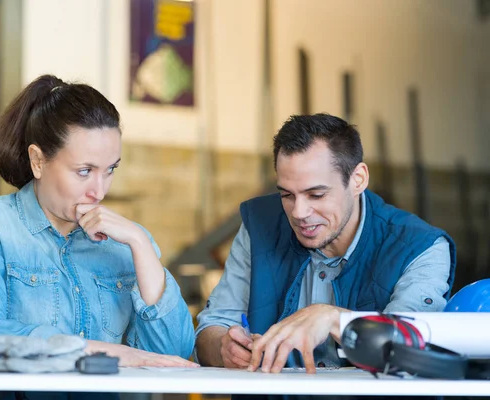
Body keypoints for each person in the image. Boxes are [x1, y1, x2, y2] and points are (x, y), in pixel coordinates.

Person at [0, 75, 197, 399]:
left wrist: (140, 244)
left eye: (111, 169)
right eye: (84, 171)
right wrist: (93, 350)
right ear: (38, 161)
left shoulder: (124, 242)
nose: (99, 190)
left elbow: (173, 353)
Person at [195, 113, 456, 380]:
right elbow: (209, 332)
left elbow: (411, 349)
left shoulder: (422, 247)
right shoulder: (258, 226)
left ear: (358, 180)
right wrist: (223, 348)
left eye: (316, 194)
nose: (299, 212)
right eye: (286, 195)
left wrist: (334, 320)